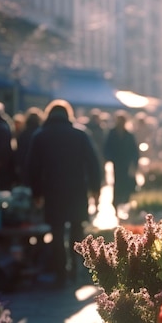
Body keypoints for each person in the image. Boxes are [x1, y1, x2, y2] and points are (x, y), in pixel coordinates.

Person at [28, 99, 101, 286]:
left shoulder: (40, 136)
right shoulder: (80, 134)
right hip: (77, 189)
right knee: (77, 228)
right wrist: (95, 190)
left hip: (53, 191)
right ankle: (76, 268)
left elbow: (32, 168)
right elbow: (94, 164)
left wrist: (37, 194)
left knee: (57, 232)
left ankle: (60, 272)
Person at [104, 111, 140, 221]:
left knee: (127, 185)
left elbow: (135, 151)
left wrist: (134, 163)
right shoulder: (112, 133)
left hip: (127, 163)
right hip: (117, 163)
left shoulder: (129, 134)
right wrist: (109, 158)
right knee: (117, 184)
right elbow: (107, 147)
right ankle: (116, 205)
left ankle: (126, 205)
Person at [13, 106, 44, 186]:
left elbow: (19, 151)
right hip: (39, 168)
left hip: (24, 166)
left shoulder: (23, 133)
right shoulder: (41, 133)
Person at [85, 108, 108, 186]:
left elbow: (104, 141)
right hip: (90, 152)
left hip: (99, 152)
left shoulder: (101, 128)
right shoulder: (87, 128)